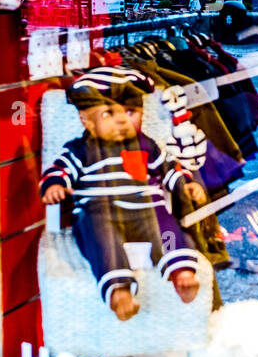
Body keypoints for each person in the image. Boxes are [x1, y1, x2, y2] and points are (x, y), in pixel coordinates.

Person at [39, 68, 204, 320]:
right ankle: (119, 290)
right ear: (86, 121)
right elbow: (60, 170)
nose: (122, 121)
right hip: (100, 212)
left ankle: (181, 272)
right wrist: (54, 186)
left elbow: (169, 169)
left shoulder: (146, 144)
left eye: (131, 112)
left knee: (168, 230)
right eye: (109, 113)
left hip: (147, 209)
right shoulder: (80, 149)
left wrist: (185, 184)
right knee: (101, 238)